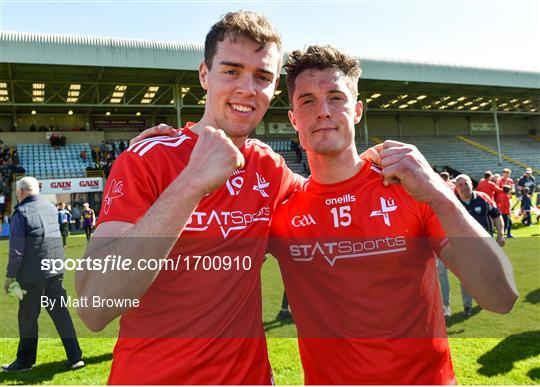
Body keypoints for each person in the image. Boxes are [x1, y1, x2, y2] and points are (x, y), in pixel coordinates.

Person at [75, 11, 303, 384]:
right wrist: (190, 183)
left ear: (274, 87)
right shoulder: (147, 160)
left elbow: (334, 199)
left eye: (262, 76)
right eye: (231, 71)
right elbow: (95, 308)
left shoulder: (269, 167)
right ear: (203, 75)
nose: (247, 88)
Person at [268, 45, 517, 384]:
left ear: (357, 110)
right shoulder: (282, 209)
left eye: (335, 97)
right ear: (293, 118)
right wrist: (172, 142)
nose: (323, 111)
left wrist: (439, 192)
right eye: (307, 100)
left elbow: (500, 298)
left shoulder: (408, 188)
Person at [3, 177, 84, 372]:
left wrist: (9, 277)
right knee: (61, 315)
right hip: (55, 270)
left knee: (28, 318)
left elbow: (17, 250)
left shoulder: (21, 213)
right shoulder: (50, 207)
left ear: (21, 192)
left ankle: (25, 361)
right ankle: (75, 357)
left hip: (32, 275)